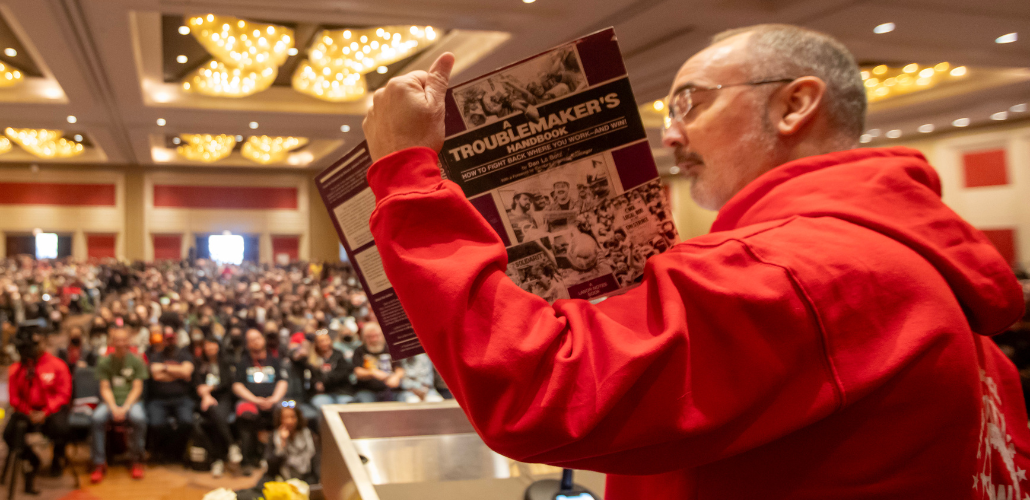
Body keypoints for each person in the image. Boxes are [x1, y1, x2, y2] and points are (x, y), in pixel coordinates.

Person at [360, 25, 1029, 498]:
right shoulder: (903, 264)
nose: (671, 132)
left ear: (795, 104)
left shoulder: (807, 267)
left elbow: (537, 391)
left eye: (692, 103)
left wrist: (407, 174)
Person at [4, 322, 72, 492]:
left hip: (50, 412)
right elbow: (14, 398)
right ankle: (31, 460)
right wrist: (29, 412)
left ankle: (57, 459)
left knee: (62, 428)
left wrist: (45, 412)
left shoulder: (57, 365)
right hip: (27, 412)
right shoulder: (16, 369)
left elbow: (63, 395)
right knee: (9, 433)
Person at [91, 326, 148, 483]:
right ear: (112, 341)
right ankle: (99, 462)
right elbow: (105, 388)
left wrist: (125, 407)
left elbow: (137, 388)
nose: (121, 343)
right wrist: (114, 407)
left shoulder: (137, 361)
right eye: (117, 339)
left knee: (138, 418)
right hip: (110, 402)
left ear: (129, 341)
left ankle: (136, 460)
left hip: (132, 402)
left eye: (124, 339)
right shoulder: (105, 362)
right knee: (97, 418)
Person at [232, 328, 288, 476]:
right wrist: (255, 400)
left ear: (263, 340)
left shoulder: (274, 360)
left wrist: (274, 399)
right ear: (247, 344)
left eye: (257, 338)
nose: (255, 341)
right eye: (251, 340)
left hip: (274, 400)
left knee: (287, 410)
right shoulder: (243, 362)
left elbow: (283, 382)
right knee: (245, 414)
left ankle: (278, 458)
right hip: (250, 401)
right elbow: (237, 385)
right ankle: (247, 460)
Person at [145, 329, 195, 462]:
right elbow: (155, 374)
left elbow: (186, 372)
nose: (170, 341)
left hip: (182, 398)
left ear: (176, 338)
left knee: (187, 422)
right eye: (167, 338)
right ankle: (163, 452)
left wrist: (165, 369)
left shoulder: (184, 354)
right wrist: (178, 373)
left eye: (172, 338)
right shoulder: (155, 355)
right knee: (156, 424)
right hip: (159, 399)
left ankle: (177, 452)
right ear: (163, 339)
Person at [193, 336, 239, 477]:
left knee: (216, 419)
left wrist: (209, 390)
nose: (210, 348)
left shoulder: (226, 362)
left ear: (218, 346)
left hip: (223, 398)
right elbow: (197, 383)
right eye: (207, 345)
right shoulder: (199, 363)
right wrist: (206, 395)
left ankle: (217, 460)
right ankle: (232, 445)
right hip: (204, 399)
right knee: (212, 412)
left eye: (212, 345)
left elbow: (226, 383)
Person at [351, 323, 404, 403]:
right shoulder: (359, 351)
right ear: (364, 338)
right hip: (367, 390)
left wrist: (396, 377)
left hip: (391, 389)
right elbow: (357, 371)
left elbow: (400, 369)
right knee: (366, 403)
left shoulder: (390, 349)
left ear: (382, 335)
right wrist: (372, 373)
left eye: (376, 336)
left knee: (405, 399)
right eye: (370, 337)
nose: (374, 339)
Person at [308, 331, 355, 408]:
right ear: (316, 344)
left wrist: (325, 382)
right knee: (323, 405)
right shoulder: (312, 360)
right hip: (323, 393)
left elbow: (343, 374)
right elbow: (313, 378)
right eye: (321, 341)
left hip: (341, 391)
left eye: (326, 340)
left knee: (346, 405)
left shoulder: (338, 355)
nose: (324, 343)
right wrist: (317, 384)